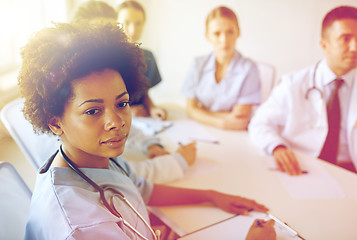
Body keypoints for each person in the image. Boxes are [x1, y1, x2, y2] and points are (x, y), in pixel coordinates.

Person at [20, 22, 273, 239]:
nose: (116, 122)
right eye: (93, 111)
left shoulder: (94, 158)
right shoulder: (82, 227)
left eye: (122, 104)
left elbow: (137, 188)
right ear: (55, 123)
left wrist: (212, 195)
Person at [71, 0, 195, 184]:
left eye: (111, 35)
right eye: (97, 37)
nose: (106, 45)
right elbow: (115, 176)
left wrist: (150, 144)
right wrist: (178, 161)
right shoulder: (73, 90)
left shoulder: (104, 71)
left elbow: (115, 122)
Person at [249, 6, 357, 175]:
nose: (354, 47)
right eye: (345, 39)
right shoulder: (293, 84)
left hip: (350, 172)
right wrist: (277, 147)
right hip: (304, 166)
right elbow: (259, 123)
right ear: (324, 44)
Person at [181, 6, 261, 130]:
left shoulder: (249, 69)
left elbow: (240, 118)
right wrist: (223, 123)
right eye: (217, 33)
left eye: (230, 32)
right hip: (201, 129)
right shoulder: (197, 64)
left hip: (236, 136)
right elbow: (190, 109)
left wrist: (201, 111)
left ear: (238, 32)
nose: (224, 40)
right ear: (207, 36)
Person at [117, 0, 167, 120]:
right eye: (126, 22)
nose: (133, 29)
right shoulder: (103, 58)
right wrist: (127, 110)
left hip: (141, 120)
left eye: (138, 23)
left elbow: (143, 93)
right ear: (115, 22)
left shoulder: (148, 57)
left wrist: (152, 108)